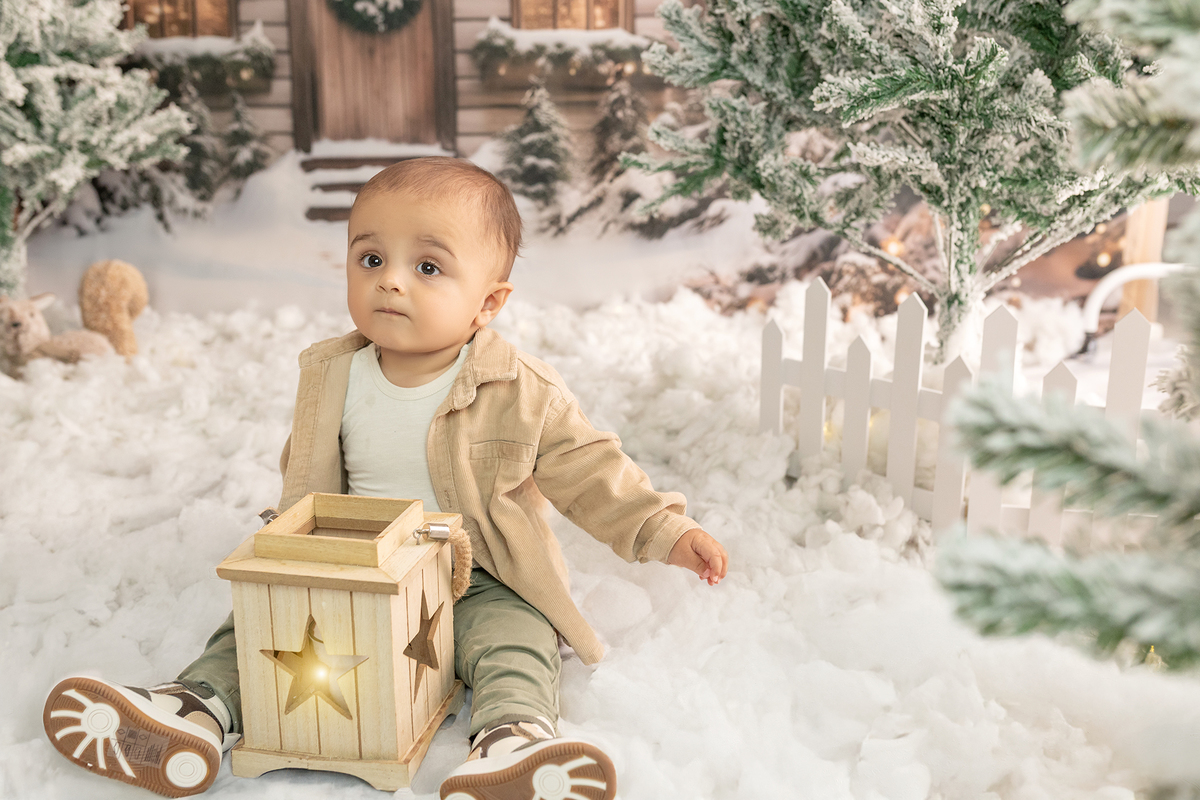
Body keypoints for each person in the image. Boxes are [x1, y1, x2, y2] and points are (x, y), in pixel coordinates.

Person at [42, 157, 729, 800]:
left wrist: (661, 527)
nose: (391, 280)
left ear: (488, 303)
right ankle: (193, 711)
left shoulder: (519, 389)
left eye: (428, 266)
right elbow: (306, 475)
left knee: (514, 639)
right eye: (371, 259)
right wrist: (290, 550)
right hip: (360, 567)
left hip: (479, 573)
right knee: (264, 630)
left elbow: (590, 470)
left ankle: (511, 739)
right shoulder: (332, 375)